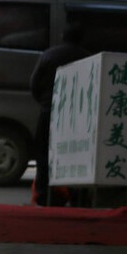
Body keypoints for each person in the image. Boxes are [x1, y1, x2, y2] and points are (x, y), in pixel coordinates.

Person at [29, 22, 89, 206]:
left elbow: (34, 84)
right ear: (81, 39)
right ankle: (75, 195)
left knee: (44, 155)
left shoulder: (48, 55)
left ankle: (43, 194)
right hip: (76, 116)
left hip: (49, 111)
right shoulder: (87, 57)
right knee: (75, 154)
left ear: (63, 36)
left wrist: (45, 103)